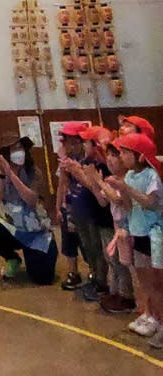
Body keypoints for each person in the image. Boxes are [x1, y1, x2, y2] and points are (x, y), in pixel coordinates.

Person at [0, 132, 57, 284]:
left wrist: (13, 175)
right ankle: (12, 258)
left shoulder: (33, 171)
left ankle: (35, 254)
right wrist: (3, 174)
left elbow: (31, 199)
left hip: (35, 229)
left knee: (43, 278)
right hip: (10, 226)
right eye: (14, 149)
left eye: (20, 148)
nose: (19, 152)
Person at [112, 132, 163, 346]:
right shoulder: (130, 177)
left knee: (158, 285)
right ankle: (157, 321)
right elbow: (127, 205)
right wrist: (117, 188)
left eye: (125, 152)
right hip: (138, 235)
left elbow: (150, 202)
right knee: (147, 285)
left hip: (154, 236)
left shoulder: (152, 176)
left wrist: (127, 189)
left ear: (140, 155)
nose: (122, 156)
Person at [76, 132, 136, 314]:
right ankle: (116, 292)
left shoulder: (128, 178)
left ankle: (127, 297)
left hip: (126, 228)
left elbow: (117, 200)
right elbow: (103, 199)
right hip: (117, 227)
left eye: (114, 155)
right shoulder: (114, 179)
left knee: (123, 264)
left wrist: (98, 181)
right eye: (108, 155)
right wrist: (95, 181)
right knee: (113, 261)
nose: (110, 159)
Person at [56, 121, 109, 300]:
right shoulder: (73, 162)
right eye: (65, 142)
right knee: (85, 244)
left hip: (91, 212)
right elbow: (63, 185)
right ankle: (93, 276)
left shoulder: (93, 163)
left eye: (73, 141)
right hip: (76, 210)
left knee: (96, 248)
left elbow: (93, 187)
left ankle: (101, 281)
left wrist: (77, 171)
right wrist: (60, 207)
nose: (67, 146)